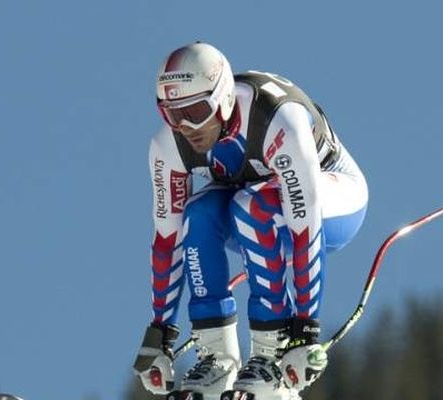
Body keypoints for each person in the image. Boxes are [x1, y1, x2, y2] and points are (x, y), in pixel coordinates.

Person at [133, 42, 368, 400]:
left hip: (332, 201)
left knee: (253, 205)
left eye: (196, 111)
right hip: (254, 216)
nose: (186, 127)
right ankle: (217, 358)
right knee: (197, 215)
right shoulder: (169, 146)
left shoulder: (276, 120)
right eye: (171, 114)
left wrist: (304, 332)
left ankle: (270, 354)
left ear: (224, 97)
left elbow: (305, 228)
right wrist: (159, 335)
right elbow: (167, 241)